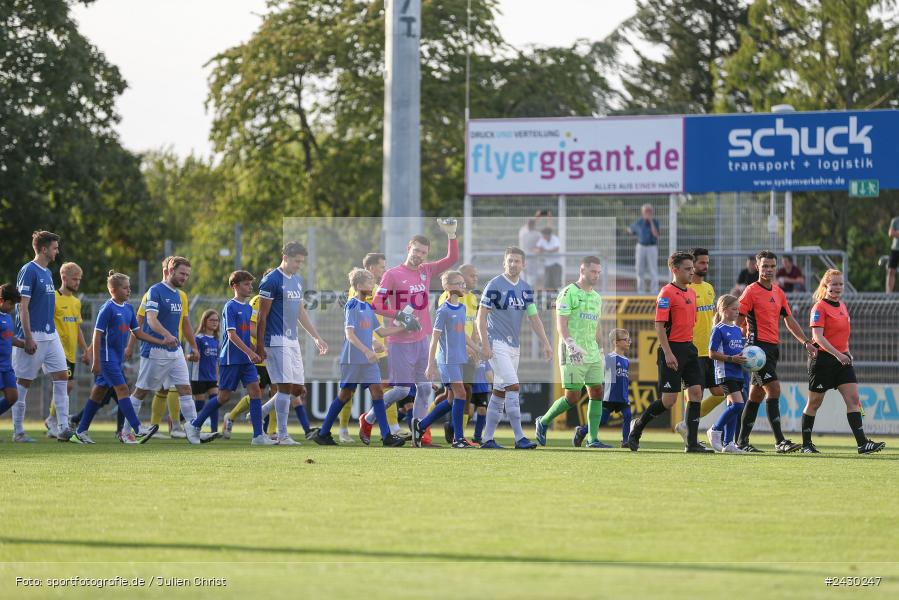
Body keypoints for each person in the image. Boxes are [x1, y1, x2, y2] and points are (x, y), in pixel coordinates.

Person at [363, 220, 460, 443]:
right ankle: (368, 419)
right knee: (401, 390)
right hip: (399, 342)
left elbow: (452, 259)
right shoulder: (393, 274)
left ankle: (419, 433)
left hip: (422, 339)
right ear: (409, 249)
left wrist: (451, 234)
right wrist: (400, 315)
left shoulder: (426, 270)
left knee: (425, 389)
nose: (419, 255)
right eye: (416, 250)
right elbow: (376, 305)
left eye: (423, 252)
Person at [627, 251, 712, 453]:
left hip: (690, 349)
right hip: (671, 349)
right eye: (687, 269)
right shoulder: (666, 293)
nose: (692, 272)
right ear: (674, 270)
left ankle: (691, 443)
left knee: (696, 393)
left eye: (692, 268)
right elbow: (659, 326)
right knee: (669, 401)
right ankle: (637, 427)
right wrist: (668, 353)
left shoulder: (691, 292)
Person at [312, 268, 405, 447]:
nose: (373, 286)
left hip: (367, 361)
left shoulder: (368, 307)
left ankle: (386, 437)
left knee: (377, 392)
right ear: (360, 285)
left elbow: (381, 331)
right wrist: (367, 350)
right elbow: (349, 334)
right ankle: (323, 433)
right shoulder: (352, 305)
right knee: (345, 395)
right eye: (370, 283)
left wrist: (403, 328)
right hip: (352, 359)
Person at [736, 250, 815, 454]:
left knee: (755, 395)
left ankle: (741, 442)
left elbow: (789, 320)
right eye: (765, 266)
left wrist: (806, 341)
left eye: (772, 266)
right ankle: (780, 441)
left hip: (772, 349)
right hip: (757, 350)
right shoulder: (751, 291)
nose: (769, 270)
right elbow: (738, 320)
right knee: (774, 389)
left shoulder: (778, 292)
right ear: (757, 267)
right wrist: (737, 343)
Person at [476, 246, 553, 449]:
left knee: (500, 392)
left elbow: (534, 318)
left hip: (514, 346)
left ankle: (487, 439)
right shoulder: (494, 284)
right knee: (513, 386)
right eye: (510, 260)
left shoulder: (526, 288)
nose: (513, 264)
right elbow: (481, 316)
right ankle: (520, 438)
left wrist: (546, 343)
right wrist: (485, 344)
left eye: (517, 261)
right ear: (504, 262)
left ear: (524, 264)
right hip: (496, 343)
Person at [801, 270, 885, 454]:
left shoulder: (843, 306)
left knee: (854, 399)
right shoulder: (819, 308)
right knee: (814, 403)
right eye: (834, 284)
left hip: (842, 359)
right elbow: (818, 337)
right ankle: (806, 445)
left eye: (840, 284)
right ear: (826, 286)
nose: (838, 287)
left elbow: (842, 335)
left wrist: (847, 352)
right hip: (823, 361)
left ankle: (862, 444)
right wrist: (839, 354)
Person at [186, 271, 273, 445]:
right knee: (223, 397)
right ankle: (194, 426)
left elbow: (246, 333)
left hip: (246, 361)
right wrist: (250, 352)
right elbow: (231, 335)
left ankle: (258, 436)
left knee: (256, 392)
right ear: (235, 286)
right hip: (231, 359)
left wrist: (257, 348)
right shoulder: (230, 306)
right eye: (246, 284)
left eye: (250, 284)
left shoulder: (248, 308)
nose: (250, 287)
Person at [254, 242, 329, 445]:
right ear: (285, 256)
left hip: (292, 340)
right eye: (297, 261)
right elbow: (262, 317)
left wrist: (316, 336)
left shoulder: (296, 280)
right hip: (275, 341)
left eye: (301, 262)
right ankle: (283, 434)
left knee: (297, 389)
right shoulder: (271, 280)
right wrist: (260, 346)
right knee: (285, 388)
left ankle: (260, 412)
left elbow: (300, 312)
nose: (299, 265)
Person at [74, 271, 161, 444]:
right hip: (106, 358)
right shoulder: (107, 308)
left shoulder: (129, 308)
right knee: (123, 390)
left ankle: (80, 432)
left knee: (98, 394)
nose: (129, 291)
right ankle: (137, 429)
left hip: (116, 358)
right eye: (125, 288)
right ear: (113, 290)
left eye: (129, 288)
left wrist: (162, 340)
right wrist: (96, 362)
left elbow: (138, 333)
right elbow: (96, 336)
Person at [128, 256, 205, 444]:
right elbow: (150, 320)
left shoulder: (179, 295)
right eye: (181, 273)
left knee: (185, 388)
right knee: (141, 391)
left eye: (187, 275)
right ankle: (126, 430)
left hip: (175, 350)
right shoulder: (155, 291)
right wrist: (166, 335)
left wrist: (192, 345)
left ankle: (193, 430)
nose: (184, 278)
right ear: (170, 270)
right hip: (155, 350)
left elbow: (184, 323)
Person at [535, 256, 606, 448]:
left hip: (591, 352)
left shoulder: (597, 297)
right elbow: (561, 324)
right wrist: (571, 345)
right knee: (572, 397)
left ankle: (593, 439)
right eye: (593, 271)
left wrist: (601, 348)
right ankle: (542, 422)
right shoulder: (568, 292)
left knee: (597, 391)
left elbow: (597, 325)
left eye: (599, 272)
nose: (596, 275)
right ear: (582, 270)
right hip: (572, 351)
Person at [11, 231, 73, 442]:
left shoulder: (47, 272)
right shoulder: (29, 270)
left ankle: (63, 427)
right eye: (55, 247)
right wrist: (28, 337)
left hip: (50, 333)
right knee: (23, 383)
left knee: (62, 376)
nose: (57, 251)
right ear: (44, 249)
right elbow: (23, 307)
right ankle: (18, 431)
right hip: (33, 334)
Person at [339, 252, 404, 444]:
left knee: (384, 388)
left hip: (378, 347)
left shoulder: (377, 288)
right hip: (361, 349)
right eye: (381, 266)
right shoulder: (360, 292)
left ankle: (392, 429)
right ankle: (342, 429)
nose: (384, 270)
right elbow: (362, 320)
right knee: (348, 392)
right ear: (370, 269)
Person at [415, 271, 479, 448]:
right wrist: (430, 365)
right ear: (449, 287)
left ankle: (420, 426)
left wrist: (477, 348)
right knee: (461, 394)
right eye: (460, 284)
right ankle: (458, 439)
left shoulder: (462, 308)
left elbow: (463, 335)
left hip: (458, 360)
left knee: (451, 401)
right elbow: (434, 339)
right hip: (447, 360)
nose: (463, 287)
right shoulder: (443, 310)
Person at [674, 248, 725, 443]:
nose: (706, 266)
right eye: (702, 263)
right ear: (692, 265)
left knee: (719, 393)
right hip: (692, 349)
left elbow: (711, 317)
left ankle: (686, 425)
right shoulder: (687, 290)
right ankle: (691, 436)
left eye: (707, 263)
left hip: (709, 350)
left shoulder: (709, 288)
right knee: (694, 394)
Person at [222, 268, 278, 440]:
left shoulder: (280, 301)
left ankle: (271, 431)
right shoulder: (256, 301)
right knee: (257, 392)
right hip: (258, 354)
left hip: (275, 353)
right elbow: (253, 328)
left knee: (277, 390)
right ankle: (231, 416)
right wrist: (262, 344)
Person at [437, 263, 480, 443]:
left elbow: (472, 325)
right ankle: (456, 433)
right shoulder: (446, 299)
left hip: (467, 351)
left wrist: (476, 345)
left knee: (457, 394)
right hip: (451, 353)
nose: (474, 279)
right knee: (461, 392)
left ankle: (453, 429)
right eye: (471, 276)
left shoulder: (472, 299)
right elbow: (445, 331)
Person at [46, 262, 90, 436]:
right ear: (64, 278)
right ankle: (54, 422)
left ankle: (52, 420)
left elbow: (77, 327)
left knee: (67, 386)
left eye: (79, 279)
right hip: (56, 350)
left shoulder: (76, 302)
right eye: (74, 279)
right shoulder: (53, 298)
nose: (77, 282)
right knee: (66, 385)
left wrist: (85, 349)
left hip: (71, 352)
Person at [574, 328, 632, 448]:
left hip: (622, 397)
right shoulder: (609, 358)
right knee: (602, 420)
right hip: (609, 396)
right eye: (626, 340)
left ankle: (625, 441)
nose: (629, 342)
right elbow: (600, 371)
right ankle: (582, 431)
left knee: (627, 415)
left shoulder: (626, 360)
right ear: (616, 342)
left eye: (629, 339)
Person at [705, 295, 748, 453]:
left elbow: (738, 352)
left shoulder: (737, 330)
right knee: (738, 405)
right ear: (723, 310)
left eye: (738, 309)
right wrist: (731, 359)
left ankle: (729, 443)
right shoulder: (718, 329)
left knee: (734, 407)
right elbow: (711, 353)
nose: (737, 312)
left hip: (737, 373)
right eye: (734, 309)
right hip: (725, 373)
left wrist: (747, 356)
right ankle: (715, 430)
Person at [190, 310, 220, 433]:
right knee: (199, 405)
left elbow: (217, 360)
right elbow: (189, 355)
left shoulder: (217, 340)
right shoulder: (198, 338)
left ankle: (214, 431)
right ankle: (176, 418)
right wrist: (192, 356)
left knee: (215, 402)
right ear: (205, 321)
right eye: (211, 320)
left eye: (216, 320)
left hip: (212, 377)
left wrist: (218, 375)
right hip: (198, 377)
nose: (214, 323)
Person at [0, 285, 24, 421]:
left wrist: (24, 345)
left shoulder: (8, 316)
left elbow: (9, 337)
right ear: (1, 300)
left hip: (6, 366)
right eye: (10, 303)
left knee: (13, 396)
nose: (12, 307)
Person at [628, 204, 660, 294]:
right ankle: (640, 290)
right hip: (641, 247)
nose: (648, 213)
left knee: (653, 269)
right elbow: (631, 229)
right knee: (639, 269)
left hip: (652, 247)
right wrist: (630, 230)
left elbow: (656, 234)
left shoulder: (655, 222)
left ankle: (654, 291)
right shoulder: (639, 222)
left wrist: (651, 222)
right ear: (643, 213)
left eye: (649, 211)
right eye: (646, 211)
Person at [886, 215, 899, 292]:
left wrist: (896, 233)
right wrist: (895, 233)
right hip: (895, 249)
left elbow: (895, 233)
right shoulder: (895, 220)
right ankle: (889, 294)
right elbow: (891, 233)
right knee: (891, 271)